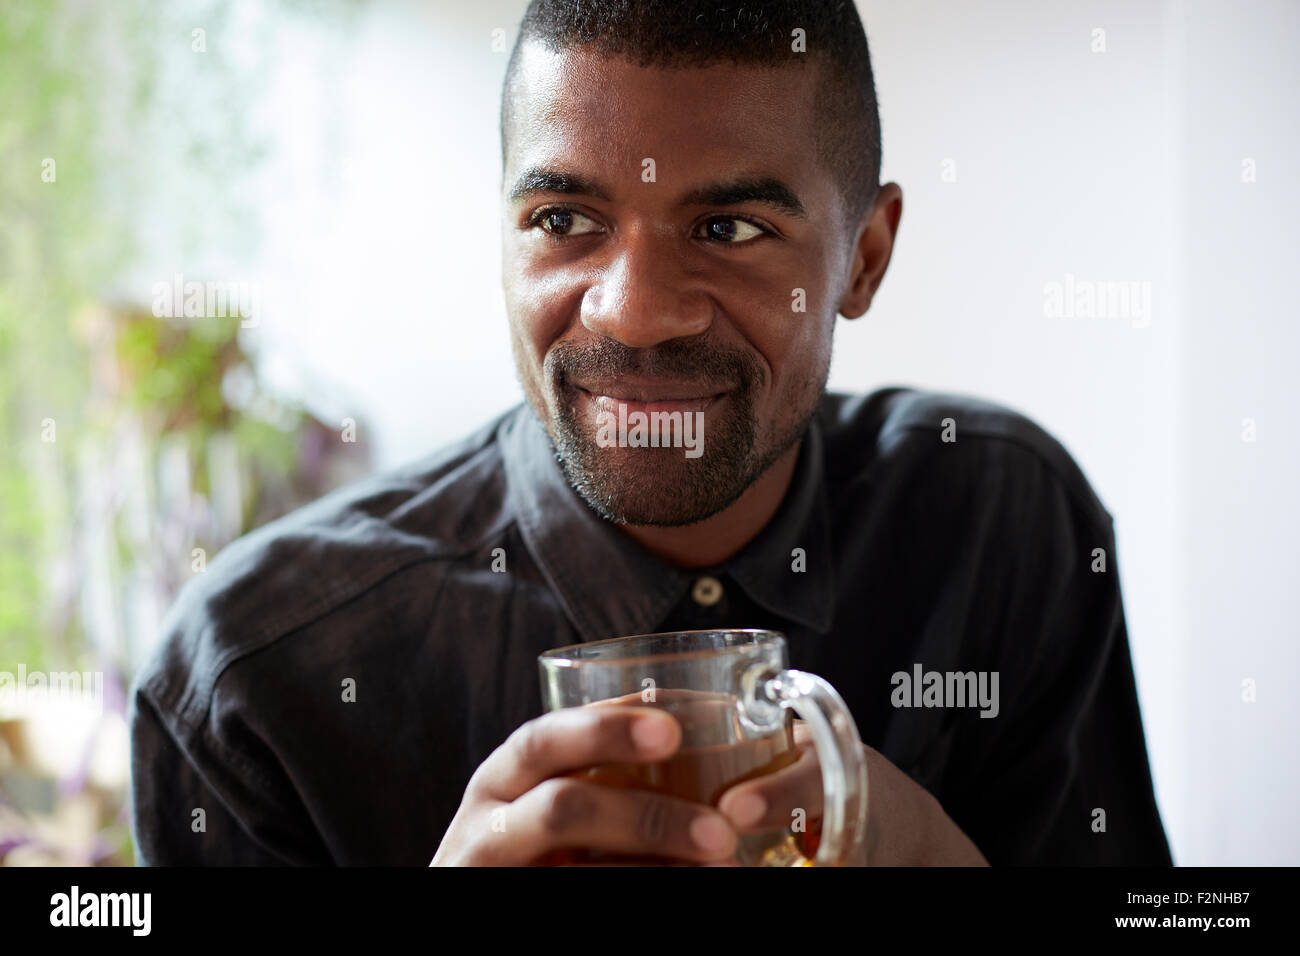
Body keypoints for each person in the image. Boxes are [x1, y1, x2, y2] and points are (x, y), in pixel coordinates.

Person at [128, 0, 1172, 866]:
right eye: (563, 220)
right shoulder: (253, 684)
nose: (631, 310)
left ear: (863, 257)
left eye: (729, 229)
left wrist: (930, 854)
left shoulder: (1002, 519)